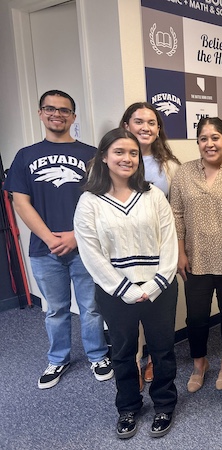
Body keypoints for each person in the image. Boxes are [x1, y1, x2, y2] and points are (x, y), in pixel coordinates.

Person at [3, 89, 113, 389]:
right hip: (44, 247)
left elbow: (103, 201)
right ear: (40, 113)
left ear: (73, 117)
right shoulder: (25, 155)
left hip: (85, 246)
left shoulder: (91, 155)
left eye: (64, 110)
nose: (57, 114)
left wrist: (76, 236)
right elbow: (20, 201)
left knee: (91, 307)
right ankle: (58, 358)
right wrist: (49, 237)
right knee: (55, 308)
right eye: (50, 108)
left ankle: (97, 355)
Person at [74, 128, 179, 439]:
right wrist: (127, 290)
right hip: (115, 293)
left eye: (133, 153)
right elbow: (91, 254)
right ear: (104, 157)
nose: (127, 158)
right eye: (119, 152)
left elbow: (169, 243)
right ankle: (128, 407)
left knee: (162, 350)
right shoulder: (89, 202)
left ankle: (164, 403)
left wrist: (156, 284)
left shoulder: (153, 195)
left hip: (159, 288)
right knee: (122, 352)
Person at [170, 117, 222, 393]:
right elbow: (176, 215)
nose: (210, 143)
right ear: (198, 142)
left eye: (215, 137)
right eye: (204, 138)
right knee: (197, 317)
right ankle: (199, 363)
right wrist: (180, 253)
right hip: (195, 258)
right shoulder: (183, 173)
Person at [120, 102, 180, 388]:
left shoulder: (169, 165)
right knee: (130, 306)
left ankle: (155, 358)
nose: (145, 127)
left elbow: (176, 209)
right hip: (124, 251)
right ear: (126, 126)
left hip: (159, 249)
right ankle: (134, 360)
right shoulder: (109, 161)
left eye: (151, 123)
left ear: (158, 130)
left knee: (158, 309)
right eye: (138, 121)